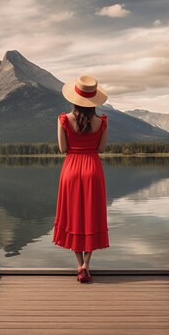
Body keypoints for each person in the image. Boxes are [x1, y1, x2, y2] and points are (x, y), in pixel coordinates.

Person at [53, 74, 109, 283]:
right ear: (93, 100)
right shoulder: (102, 121)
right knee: (91, 215)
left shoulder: (63, 120)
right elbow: (101, 148)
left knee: (74, 215)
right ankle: (87, 264)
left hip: (71, 168)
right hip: (93, 168)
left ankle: (78, 265)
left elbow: (62, 148)